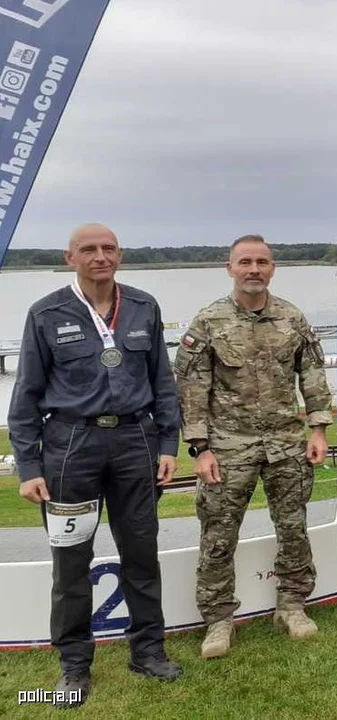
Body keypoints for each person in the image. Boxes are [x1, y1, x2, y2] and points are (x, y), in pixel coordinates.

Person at [7, 223, 182, 707]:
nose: (100, 256)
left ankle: (147, 650)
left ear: (120, 255)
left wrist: (169, 444)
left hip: (135, 442)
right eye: (89, 249)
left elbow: (163, 384)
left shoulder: (144, 307)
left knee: (141, 553)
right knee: (71, 562)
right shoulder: (46, 313)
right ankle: (74, 666)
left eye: (108, 248)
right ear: (70, 258)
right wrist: (28, 466)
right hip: (69, 447)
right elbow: (24, 396)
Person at [174, 234, 332, 659]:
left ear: (273, 268)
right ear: (230, 268)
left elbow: (313, 376)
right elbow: (191, 388)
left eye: (262, 262)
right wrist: (200, 448)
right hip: (227, 446)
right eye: (245, 262)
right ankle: (219, 619)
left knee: (294, 528)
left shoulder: (292, 318)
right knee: (219, 535)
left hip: (285, 443)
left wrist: (318, 430)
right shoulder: (209, 322)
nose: (254, 269)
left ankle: (293, 605)